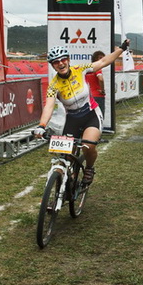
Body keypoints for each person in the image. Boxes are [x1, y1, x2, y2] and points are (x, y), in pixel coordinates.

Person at [33, 40, 129, 186]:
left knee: (87, 146)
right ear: (53, 65)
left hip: (90, 115)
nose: (60, 63)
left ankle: (89, 168)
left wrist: (121, 49)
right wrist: (41, 125)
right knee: (65, 156)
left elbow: (103, 61)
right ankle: (64, 186)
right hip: (72, 119)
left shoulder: (80, 69)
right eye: (56, 62)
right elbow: (49, 106)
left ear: (68, 60)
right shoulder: (54, 85)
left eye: (63, 59)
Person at [85, 51, 106, 118]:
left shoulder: (88, 68)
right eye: (101, 58)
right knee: (100, 117)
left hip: (89, 96)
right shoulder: (97, 68)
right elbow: (100, 79)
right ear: (96, 59)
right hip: (98, 96)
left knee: (91, 118)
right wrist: (102, 90)